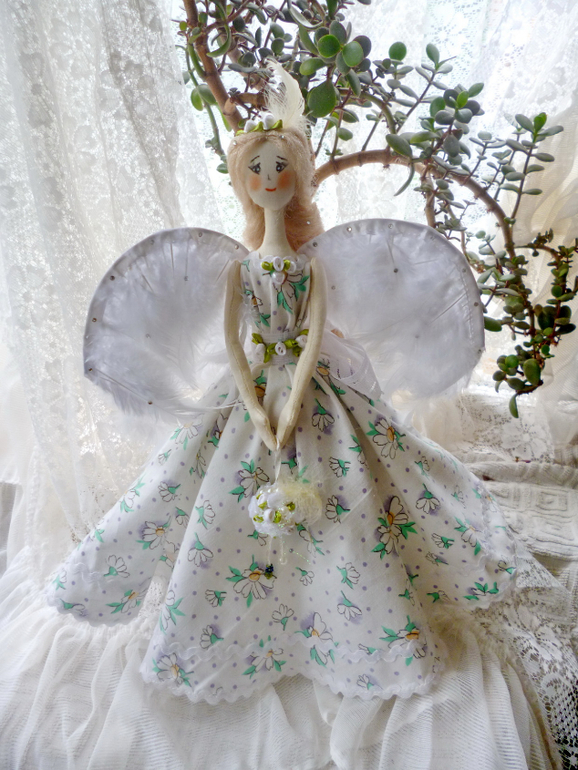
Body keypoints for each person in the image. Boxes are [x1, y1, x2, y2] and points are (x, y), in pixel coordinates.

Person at [45, 67, 521, 710]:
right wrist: (250, 401)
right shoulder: (239, 269)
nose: (269, 179)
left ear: (297, 179)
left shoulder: (310, 266)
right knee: (197, 484)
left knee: (357, 480)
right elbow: (235, 343)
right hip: (250, 391)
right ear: (243, 183)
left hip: (310, 388)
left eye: (281, 168)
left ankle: (346, 614)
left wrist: (295, 398)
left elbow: (315, 332)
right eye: (257, 170)